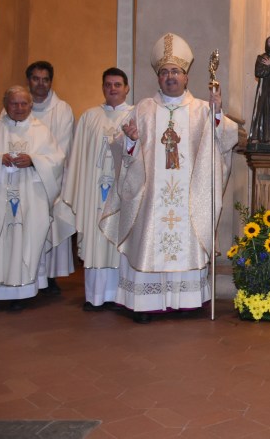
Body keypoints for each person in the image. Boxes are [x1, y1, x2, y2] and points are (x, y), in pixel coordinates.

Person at [99, 33, 238, 324]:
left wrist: (217, 113)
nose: (170, 76)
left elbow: (225, 138)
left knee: (184, 235)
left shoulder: (202, 109)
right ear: (158, 78)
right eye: (164, 72)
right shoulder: (143, 109)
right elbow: (120, 147)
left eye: (175, 71)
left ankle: (185, 301)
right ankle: (148, 303)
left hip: (187, 196)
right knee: (150, 235)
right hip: (151, 198)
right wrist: (131, 143)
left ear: (186, 77)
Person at [0, 86, 65, 311]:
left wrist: (34, 160)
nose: (19, 108)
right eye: (14, 103)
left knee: (24, 241)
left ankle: (21, 293)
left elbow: (56, 160)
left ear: (31, 105)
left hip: (30, 199)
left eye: (24, 103)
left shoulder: (41, 132)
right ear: (5, 105)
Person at [62, 68, 134, 311]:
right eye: (108, 85)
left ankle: (122, 296)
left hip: (123, 194)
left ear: (127, 88)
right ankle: (95, 297)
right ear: (102, 87)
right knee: (96, 241)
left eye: (117, 84)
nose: (112, 89)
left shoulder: (136, 116)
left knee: (120, 242)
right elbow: (78, 159)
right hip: (94, 192)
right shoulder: (89, 117)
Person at [25, 61, 75, 295]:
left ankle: (50, 277)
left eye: (45, 79)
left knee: (52, 225)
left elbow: (62, 146)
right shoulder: (15, 105)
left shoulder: (62, 109)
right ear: (29, 81)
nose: (41, 84)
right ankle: (25, 273)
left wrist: (36, 162)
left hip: (52, 178)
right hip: (21, 179)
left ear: (51, 82)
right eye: (36, 79)